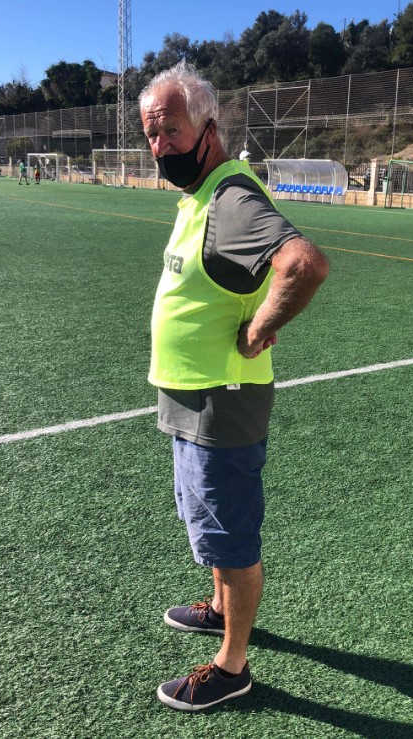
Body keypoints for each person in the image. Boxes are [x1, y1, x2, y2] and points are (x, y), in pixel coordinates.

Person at [139, 61, 329, 712]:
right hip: (194, 395)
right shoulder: (201, 194)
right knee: (208, 521)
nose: (158, 146)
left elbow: (303, 264)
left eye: (169, 130)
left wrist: (258, 330)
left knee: (230, 533)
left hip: (221, 399)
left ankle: (232, 666)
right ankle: (220, 607)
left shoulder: (230, 197)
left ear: (208, 128)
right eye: (150, 134)